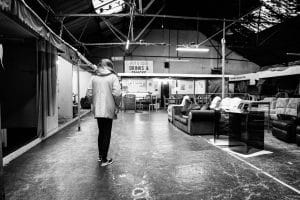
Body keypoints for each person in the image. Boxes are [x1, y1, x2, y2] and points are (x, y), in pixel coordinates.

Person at [87, 59, 121, 167]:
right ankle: (105, 160)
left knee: (101, 132)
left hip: (98, 109)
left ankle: (100, 155)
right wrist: (117, 105)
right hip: (109, 108)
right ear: (110, 67)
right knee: (106, 133)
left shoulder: (93, 77)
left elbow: (88, 93)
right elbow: (117, 93)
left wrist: (93, 103)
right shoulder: (113, 77)